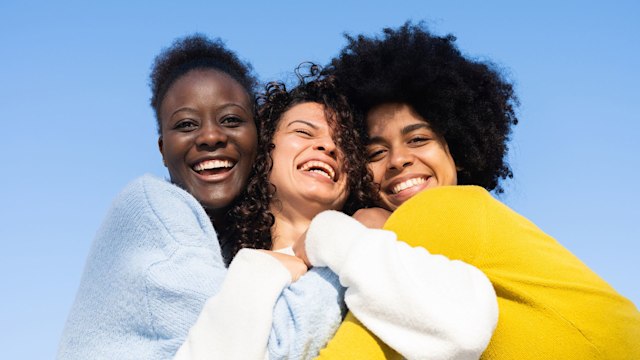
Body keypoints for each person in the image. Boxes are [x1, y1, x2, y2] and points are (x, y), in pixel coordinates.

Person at [313, 23, 640, 359]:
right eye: (375, 153)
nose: (397, 160)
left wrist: (330, 234)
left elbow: (361, 349)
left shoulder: (446, 209)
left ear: (457, 151)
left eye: (418, 140)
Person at [176, 67, 499, 360]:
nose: (327, 147)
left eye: (342, 143)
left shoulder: (376, 245)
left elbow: (467, 328)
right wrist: (257, 271)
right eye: (304, 132)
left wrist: (334, 236)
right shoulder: (216, 271)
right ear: (264, 151)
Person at [57, 35, 346, 360]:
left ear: (258, 140)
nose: (210, 136)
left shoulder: (227, 247)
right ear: (163, 151)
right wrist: (349, 252)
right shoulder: (153, 208)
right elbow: (244, 346)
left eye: (232, 120)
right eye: (186, 124)